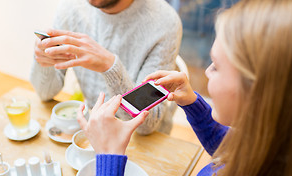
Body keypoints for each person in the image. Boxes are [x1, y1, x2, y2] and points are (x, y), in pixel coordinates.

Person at [76, 0, 292, 176]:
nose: (206, 71)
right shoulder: (283, 149)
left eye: (216, 65)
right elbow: (231, 150)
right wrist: (194, 105)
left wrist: (108, 160)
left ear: (258, 91)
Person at [30, 0, 182, 135]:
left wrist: (110, 67)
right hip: (93, 128)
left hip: (147, 142)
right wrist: (44, 59)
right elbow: (45, 94)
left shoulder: (165, 22)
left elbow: (145, 127)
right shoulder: (72, 7)